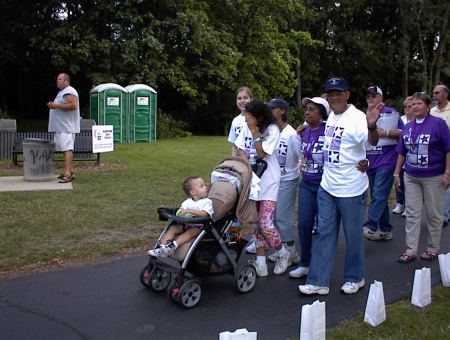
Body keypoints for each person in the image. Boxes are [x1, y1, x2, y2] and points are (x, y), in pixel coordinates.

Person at [298, 76, 380, 295]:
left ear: (347, 95)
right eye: (330, 94)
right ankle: (318, 281)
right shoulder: (332, 116)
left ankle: (355, 277)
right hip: (328, 185)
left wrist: (372, 126)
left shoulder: (358, 117)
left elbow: (371, 142)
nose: (334, 97)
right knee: (324, 233)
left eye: (338, 93)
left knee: (353, 236)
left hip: (351, 188)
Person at [235, 100, 290, 276]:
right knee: (255, 223)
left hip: (269, 181)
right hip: (252, 180)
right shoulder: (247, 127)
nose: (245, 120)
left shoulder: (272, 130)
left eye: (249, 117)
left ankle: (282, 253)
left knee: (266, 223)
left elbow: (261, 153)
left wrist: (254, 132)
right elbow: (240, 148)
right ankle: (261, 262)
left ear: (258, 117)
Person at [394, 92, 450, 263]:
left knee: (434, 214)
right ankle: (410, 250)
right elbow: (402, 152)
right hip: (411, 176)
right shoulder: (408, 126)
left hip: (434, 176)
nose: (414, 107)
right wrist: (397, 173)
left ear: (427, 106)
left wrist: (448, 173)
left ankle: (432, 248)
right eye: (412, 105)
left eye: (418, 104)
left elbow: (448, 149)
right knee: (412, 214)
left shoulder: (438, 124)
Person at [288, 97, 329, 278]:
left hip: (324, 185)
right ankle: (305, 263)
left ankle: (320, 264)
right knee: (304, 224)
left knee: (323, 227)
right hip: (306, 183)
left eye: (312, 109)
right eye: (306, 109)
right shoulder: (303, 132)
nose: (307, 112)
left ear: (322, 113)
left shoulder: (328, 131)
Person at [363, 86, 403, 241]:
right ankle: (386, 229)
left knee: (379, 194)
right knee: (378, 196)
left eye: (374, 96)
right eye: (368, 96)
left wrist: (385, 133)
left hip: (387, 160)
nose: (371, 99)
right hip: (371, 161)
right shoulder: (363, 115)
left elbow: (404, 133)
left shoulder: (391, 112)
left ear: (381, 97)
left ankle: (371, 225)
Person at [266, 98, 303, 267]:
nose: (269, 111)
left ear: (282, 111)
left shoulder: (291, 134)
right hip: (272, 180)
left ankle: (292, 253)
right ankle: (280, 250)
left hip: (287, 180)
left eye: (272, 109)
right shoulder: (268, 131)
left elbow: (300, 157)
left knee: (283, 217)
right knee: (271, 217)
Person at [148, 176, 214, 257]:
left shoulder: (207, 202)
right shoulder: (187, 202)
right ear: (193, 192)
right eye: (202, 186)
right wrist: (180, 213)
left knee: (191, 232)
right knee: (173, 228)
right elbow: (181, 211)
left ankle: (173, 246)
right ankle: (161, 247)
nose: (205, 187)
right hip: (185, 224)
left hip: (198, 226)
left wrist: (189, 211)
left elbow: (204, 214)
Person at [47, 73, 80, 183]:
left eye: (60, 79)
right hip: (61, 127)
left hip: (66, 127)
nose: (57, 81)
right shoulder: (62, 92)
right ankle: (70, 171)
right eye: (57, 79)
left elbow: (73, 105)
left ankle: (67, 174)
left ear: (66, 81)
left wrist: (56, 106)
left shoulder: (69, 91)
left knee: (67, 149)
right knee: (65, 149)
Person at [430, 84, 450, 227]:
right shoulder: (432, 111)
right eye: (433, 93)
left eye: (437, 93)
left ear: (445, 94)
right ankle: (441, 213)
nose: (434, 95)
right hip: (437, 151)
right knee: (441, 182)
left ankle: (444, 215)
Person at [393, 96, 414, 215]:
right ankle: (399, 203)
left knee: (408, 182)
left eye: (410, 106)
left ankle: (407, 206)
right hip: (399, 154)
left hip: (411, 155)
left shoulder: (417, 121)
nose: (407, 109)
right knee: (398, 179)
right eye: (405, 107)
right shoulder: (400, 119)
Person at [228, 87, 253, 156]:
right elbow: (234, 145)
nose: (242, 101)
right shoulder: (235, 121)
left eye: (245, 98)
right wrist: (233, 161)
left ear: (251, 99)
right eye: (239, 98)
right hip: (241, 162)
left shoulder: (257, 119)